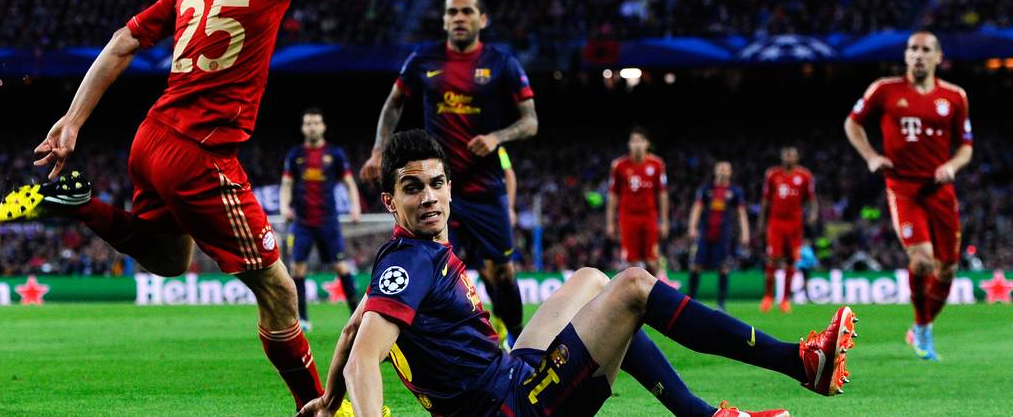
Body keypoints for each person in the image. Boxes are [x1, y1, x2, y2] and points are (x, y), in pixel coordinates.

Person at [0, 0, 379, 408]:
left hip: (151, 140)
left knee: (171, 259)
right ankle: (319, 407)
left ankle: (79, 203)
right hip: (200, 154)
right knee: (279, 293)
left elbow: (123, 42)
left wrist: (74, 118)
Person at [298, 130, 856, 417]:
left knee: (591, 279)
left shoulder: (403, 258)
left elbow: (352, 331)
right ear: (390, 201)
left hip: (507, 378)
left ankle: (699, 412)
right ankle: (797, 362)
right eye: (412, 188)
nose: (430, 199)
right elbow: (369, 352)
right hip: (509, 408)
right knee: (635, 285)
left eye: (437, 183)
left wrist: (327, 401)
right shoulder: (411, 261)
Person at [359, 0, 538, 343]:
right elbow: (393, 104)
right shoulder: (423, 59)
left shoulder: (501, 62)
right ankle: (444, 342)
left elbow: (530, 121)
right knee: (436, 266)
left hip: (486, 188)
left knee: (501, 271)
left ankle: (518, 340)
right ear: (443, 20)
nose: (458, 18)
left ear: (482, 20)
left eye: (467, 11)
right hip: (437, 188)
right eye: (451, 12)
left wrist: (497, 137)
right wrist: (379, 151)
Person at [845, 31, 972, 361]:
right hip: (903, 187)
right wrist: (871, 156)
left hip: (940, 190)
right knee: (922, 261)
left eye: (925, 49)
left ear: (938, 57)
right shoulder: (885, 90)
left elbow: (966, 147)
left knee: (947, 269)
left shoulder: (955, 97)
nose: (918, 54)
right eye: (912, 49)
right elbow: (852, 123)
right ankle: (923, 329)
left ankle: (920, 326)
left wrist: (952, 166)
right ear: (905, 56)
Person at [281, 107, 362, 329]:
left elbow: (349, 182)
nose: (312, 126)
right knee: (297, 269)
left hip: (328, 220)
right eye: (308, 123)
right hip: (302, 222)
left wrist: (355, 207)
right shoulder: (295, 155)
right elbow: (286, 184)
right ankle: (303, 319)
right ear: (303, 127)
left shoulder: (334, 154)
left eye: (316, 122)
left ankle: (357, 316)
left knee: (341, 267)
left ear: (323, 126)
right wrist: (284, 206)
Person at [758, 147, 817, 313]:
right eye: (786, 155)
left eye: (792, 155)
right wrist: (761, 221)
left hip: (794, 224)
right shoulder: (772, 175)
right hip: (776, 222)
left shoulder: (805, 175)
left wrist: (813, 214)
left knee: (792, 260)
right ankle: (768, 296)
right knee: (773, 258)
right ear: (782, 157)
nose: (789, 158)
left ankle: (784, 300)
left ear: (797, 157)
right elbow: (765, 199)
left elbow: (812, 198)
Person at [606, 127, 669, 275]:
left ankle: (655, 294)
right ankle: (633, 296)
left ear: (647, 144)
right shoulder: (619, 165)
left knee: (652, 259)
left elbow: (662, 194)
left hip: (649, 216)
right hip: (627, 216)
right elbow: (613, 195)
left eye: (640, 141)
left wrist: (665, 221)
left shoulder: (657, 164)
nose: (637, 144)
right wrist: (609, 222)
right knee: (630, 261)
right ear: (629, 144)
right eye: (634, 141)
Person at [687, 161, 749, 311]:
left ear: (730, 172)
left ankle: (721, 303)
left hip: (724, 234)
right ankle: (690, 301)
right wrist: (692, 227)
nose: (723, 171)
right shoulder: (706, 189)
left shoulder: (735, 191)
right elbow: (697, 208)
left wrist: (745, 232)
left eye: (726, 169)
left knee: (723, 268)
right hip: (705, 232)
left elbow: (741, 213)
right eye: (720, 168)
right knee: (696, 266)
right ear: (715, 171)